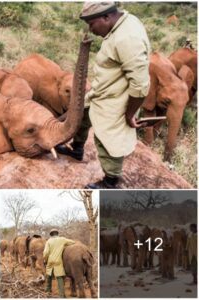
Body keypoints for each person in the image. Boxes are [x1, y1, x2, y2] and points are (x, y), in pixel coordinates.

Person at [57, 2, 151, 189]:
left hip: (115, 99)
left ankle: (110, 180)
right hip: (102, 90)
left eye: (92, 24)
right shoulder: (123, 24)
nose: (91, 30)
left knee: (107, 138)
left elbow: (140, 85)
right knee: (81, 114)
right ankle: (77, 149)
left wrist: (129, 113)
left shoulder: (127, 39)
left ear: (106, 17)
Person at [43, 229, 75, 297]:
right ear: (57, 233)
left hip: (50, 261)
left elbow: (45, 253)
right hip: (58, 261)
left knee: (48, 275)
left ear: (51, 234)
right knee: (59, 277)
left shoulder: (48, 241)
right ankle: (62, 295)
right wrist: (64, 245)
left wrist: (45, 260)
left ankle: (48, 292)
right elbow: (73, 242)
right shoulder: (62, 239)